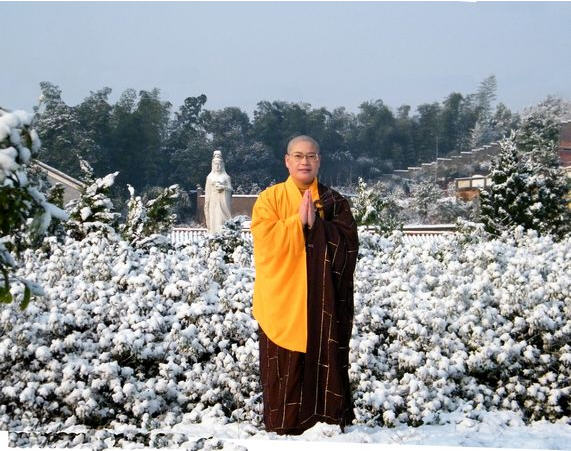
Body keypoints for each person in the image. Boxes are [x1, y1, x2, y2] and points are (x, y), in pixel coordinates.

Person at [251, 135, 359, 435]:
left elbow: (349, 248)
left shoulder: (334, 202)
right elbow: (264, 241)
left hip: (324, 303)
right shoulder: (269, 199)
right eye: (298, 155)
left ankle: (328, 425)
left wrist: (320, 228)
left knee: (327, 362)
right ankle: (283, 428)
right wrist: (295, 224)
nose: (304, 161)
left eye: (311, 156)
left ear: (319, 160)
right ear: (287, 160)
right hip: (282, 302)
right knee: (283, 369)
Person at [204, 150, 232, 234]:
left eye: (219, 164)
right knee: (213, 221)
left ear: (222, 165)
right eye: (216, 164)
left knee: (221, 221)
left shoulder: (226, 177)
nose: (218, 166)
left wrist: (223, 188)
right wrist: (207, 204)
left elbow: (230, 189)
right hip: (213, 202)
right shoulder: (209, 177)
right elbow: (207, 192)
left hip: (223, 204)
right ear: (213, 165)